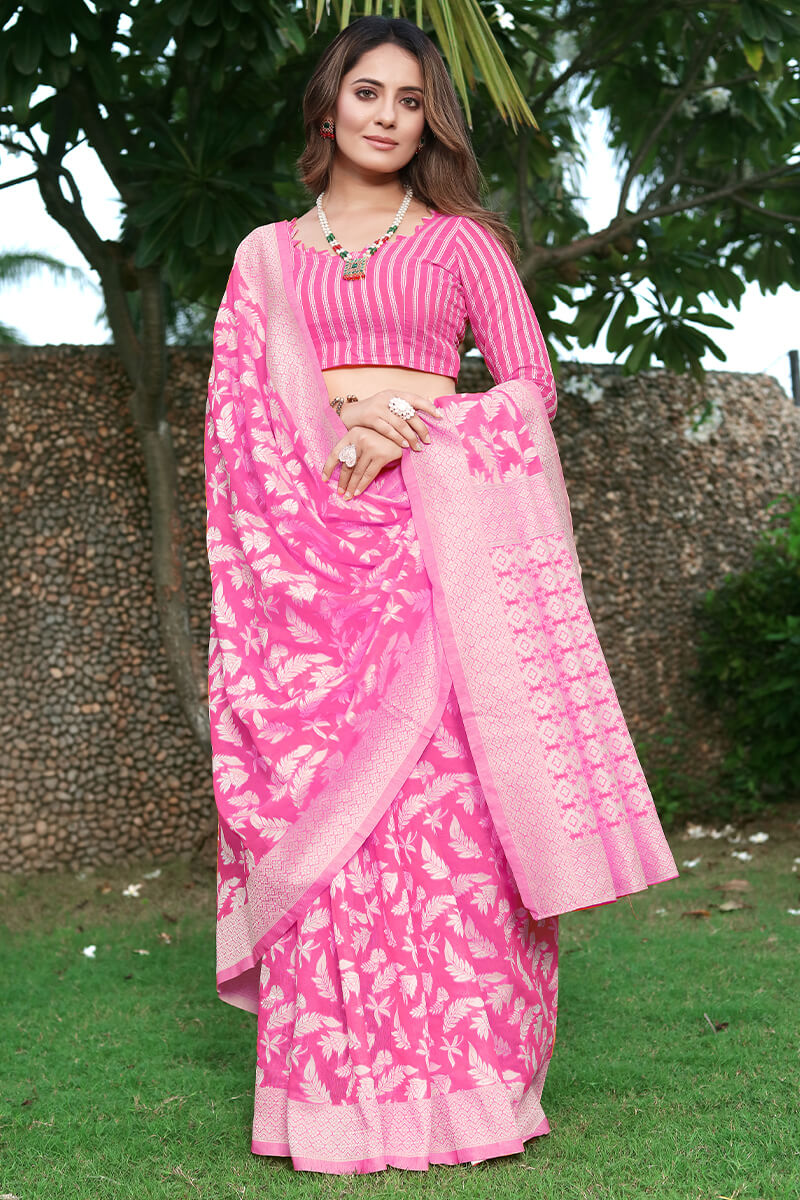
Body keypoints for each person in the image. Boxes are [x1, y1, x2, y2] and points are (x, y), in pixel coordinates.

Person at [204, 15, 679, 1176]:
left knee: (452, 835)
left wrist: (411, 427)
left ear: (429, 123)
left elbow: (527, 387)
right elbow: (239, 422)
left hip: (440, 555)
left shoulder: (461, 243)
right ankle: (326, 1110)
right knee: (338, 848)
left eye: (408, 101)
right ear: (328, 108)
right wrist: (333, 436)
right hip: (310, 578)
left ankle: (469, 1098)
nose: (384, 115)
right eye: (365, 92)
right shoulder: (266, 253)